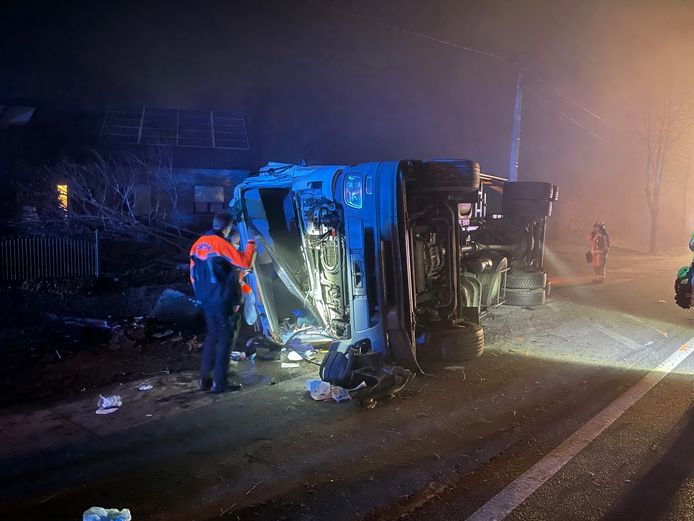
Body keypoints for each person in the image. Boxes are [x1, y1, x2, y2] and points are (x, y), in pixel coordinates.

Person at [190, 211, 256, 393]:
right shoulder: (220, 244)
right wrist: (251, 243)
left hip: (207, 300)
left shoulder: (197, 245)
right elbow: (245, 262)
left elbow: (194, 275)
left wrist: (204, 296)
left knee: (212, 337)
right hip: (223, 300)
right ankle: (220, 383)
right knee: (226, 340)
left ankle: (204, 380)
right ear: (228, 227)